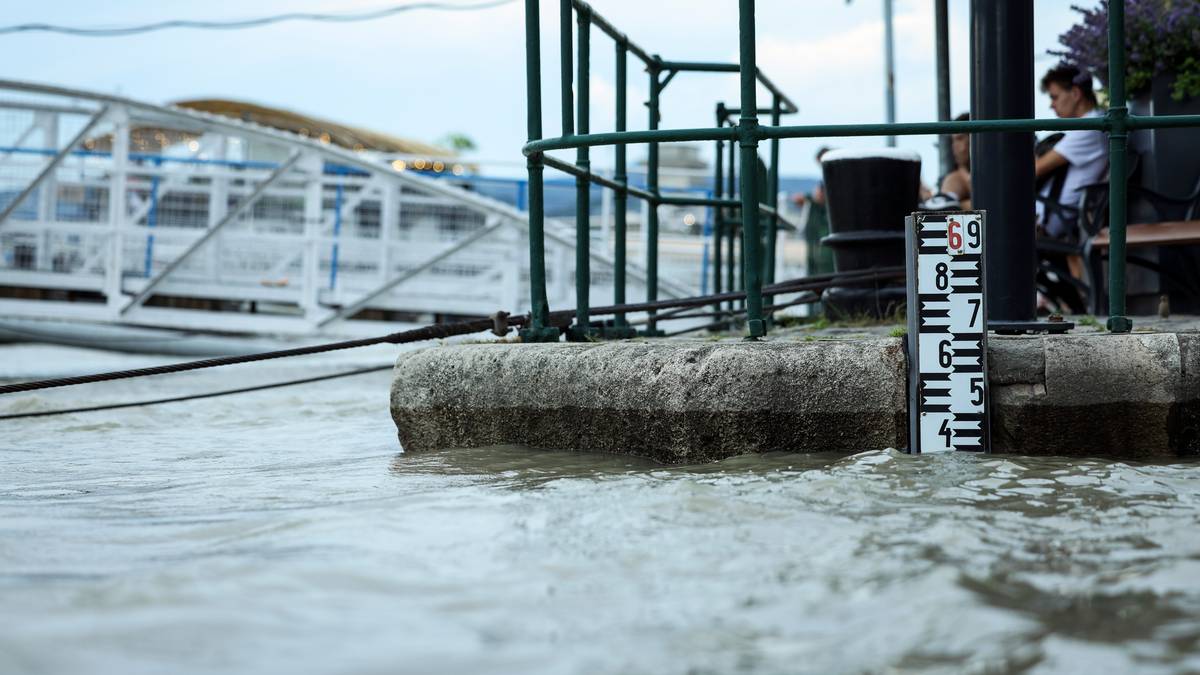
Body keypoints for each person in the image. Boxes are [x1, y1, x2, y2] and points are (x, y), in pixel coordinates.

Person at [1035, 64, 1108, 238]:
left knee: (976, 207)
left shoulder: (1090, 128)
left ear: (1075, 94)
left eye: (1055, 97)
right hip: (1047, 212)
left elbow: (1035, 169)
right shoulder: (1092, 124)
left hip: (1048, 219)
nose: (1052, 105)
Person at [791, 146, 836, 276]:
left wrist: (808, 198)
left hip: (826, 233)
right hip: (820, 235)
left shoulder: (835, 176)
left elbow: (823, 197)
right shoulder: (829, 176)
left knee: (824, 264)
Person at [939, 113, 972, 209]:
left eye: (960, 138)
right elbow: (946, 210)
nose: (954, 146)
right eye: (953, 141)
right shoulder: (956, 178)